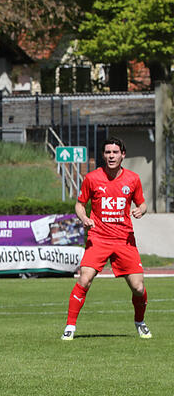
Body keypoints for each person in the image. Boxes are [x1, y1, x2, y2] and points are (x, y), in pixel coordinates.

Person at [61, 137, 151, 340]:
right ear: (103, 155)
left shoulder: (133, 179)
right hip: (98, 238)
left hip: (124, 239)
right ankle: (70, 326)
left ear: (123, 155)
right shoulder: (92, 178)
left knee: (138, 287)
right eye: (108, 152)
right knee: (84, 279)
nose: (111, 156)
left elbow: (142, 203)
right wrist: (84, 218)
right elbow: (80, 204)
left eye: (115, 152)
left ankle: (140, 322)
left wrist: (141, 210)